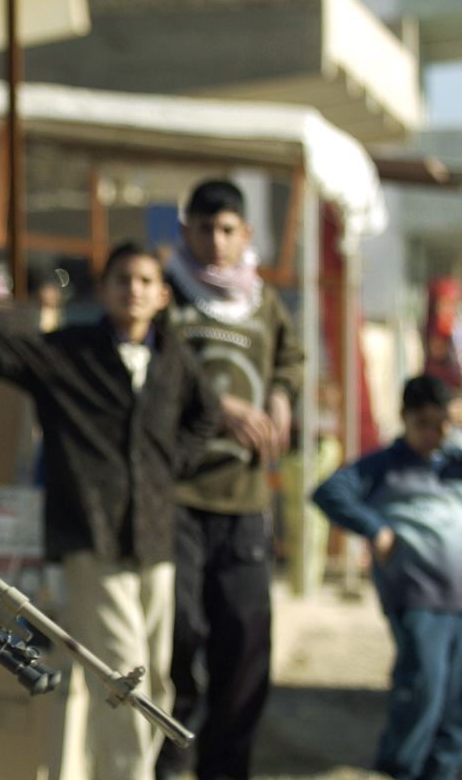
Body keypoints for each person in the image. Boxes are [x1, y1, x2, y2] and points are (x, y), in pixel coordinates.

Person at [0, 240, 221, 779]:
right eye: (122, 280)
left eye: (144, 282)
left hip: (155, 539)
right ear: (104, 289)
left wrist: (170, 467)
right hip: (92, 536)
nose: (132, 290)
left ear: (161, 295)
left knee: (157, 678)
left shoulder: (175, 359)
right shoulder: (71, 353)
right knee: (121, 674)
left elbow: (205, 416)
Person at [157, 179, 305, 780]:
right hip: (179, 500)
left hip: (244, 505)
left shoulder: (262, 302)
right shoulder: (167, 295)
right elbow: (155, 370)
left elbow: (290, 358)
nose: (215, 242)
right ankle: (172, 764)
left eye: (227, 230)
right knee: (180, 638)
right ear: (184, 230)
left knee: (244, 649)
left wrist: (281, 395)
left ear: (245, 235)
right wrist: (219, 408)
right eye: (203, 229)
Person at [311, 374, 462, 780]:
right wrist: (375, 529)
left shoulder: (460, 465)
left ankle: (441, 772)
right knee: (422, 691)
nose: (432, 433)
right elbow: (329, 491)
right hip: (415, 596)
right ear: (404, 419)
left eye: (440, 423)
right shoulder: (384, 466)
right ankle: (399, 770)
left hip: (460, 599)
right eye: (422, 423)